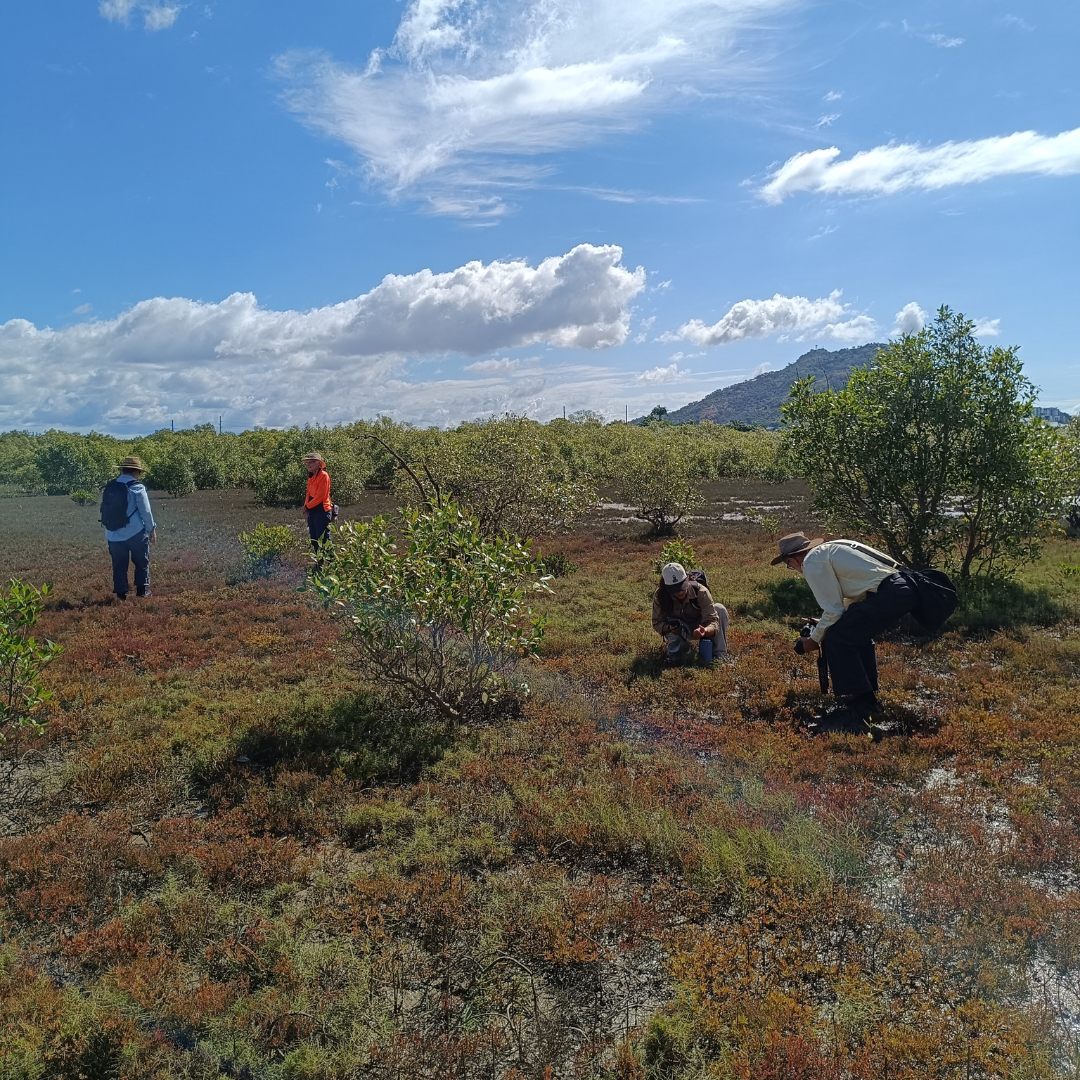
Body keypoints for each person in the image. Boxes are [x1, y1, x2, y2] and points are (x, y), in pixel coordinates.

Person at [772, 532, 921, 727]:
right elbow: (849, 601)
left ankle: (862, 703)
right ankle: (867, 697)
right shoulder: (831, 549)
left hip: (889, 593)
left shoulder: (811, 562)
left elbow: (834, 610)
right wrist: (824, 623)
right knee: (851, 633)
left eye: (789, 565)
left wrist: (813, 640)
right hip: (901, 587)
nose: (792, 568)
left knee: (837, 637)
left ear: (792, 560)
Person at [101, 456, 157, 600]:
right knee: (141, 561)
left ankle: (121, 594)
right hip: (135, 533)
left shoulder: (111, 486)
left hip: (112, 533)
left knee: (119, 564)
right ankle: (142, 591)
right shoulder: (137, 487)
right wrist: (151, 529)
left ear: (123, 470)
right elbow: (146, 511)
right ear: (136, 472)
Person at [652, 562, 729, 666]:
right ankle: (677, 660)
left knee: (720, 609)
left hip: (700, 625)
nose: (680, 592)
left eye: (682, 586)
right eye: (675, 589)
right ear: (667, 587)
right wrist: (669, 628)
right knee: (677, 658)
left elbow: (712, 620)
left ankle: (719, 657)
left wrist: (705, 630)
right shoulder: (660, 595)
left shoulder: (701, 591)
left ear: (687, 579)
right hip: (678, 629)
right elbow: (657, 622)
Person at [301, 452, 333, 551]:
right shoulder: (311, 476)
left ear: (319, 464)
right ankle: (319, 563)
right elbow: (308, 493)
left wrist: (307, 507)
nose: (308, 464)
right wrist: (305, 507)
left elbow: (320, 497)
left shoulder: (324, 476)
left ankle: (331, 563)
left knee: (324, 539)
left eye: (312, 462)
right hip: (313, 511)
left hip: (322, 511)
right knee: (314, 539)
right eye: (307, 462)